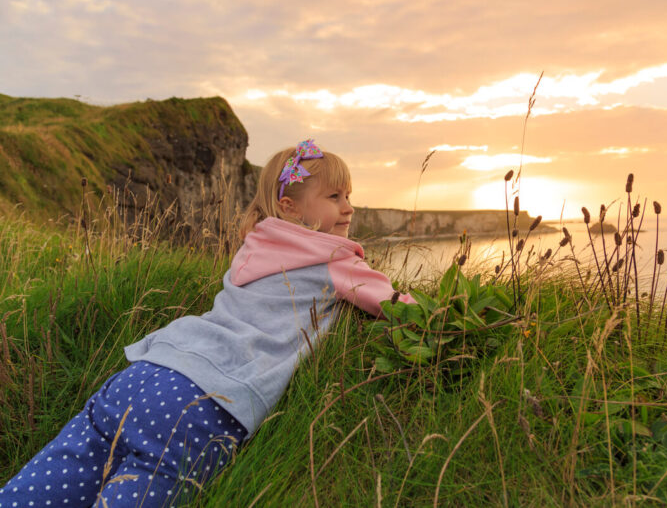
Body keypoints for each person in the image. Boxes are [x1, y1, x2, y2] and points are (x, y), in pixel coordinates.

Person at [0, 139, 414, 508]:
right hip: (202, 403)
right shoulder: (338, 260)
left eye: (349, 195)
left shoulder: (254, 248)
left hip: (145, 372)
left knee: (31, 493)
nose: (349, 207)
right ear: (290, 207)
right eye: (335, 195)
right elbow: (402, 308)